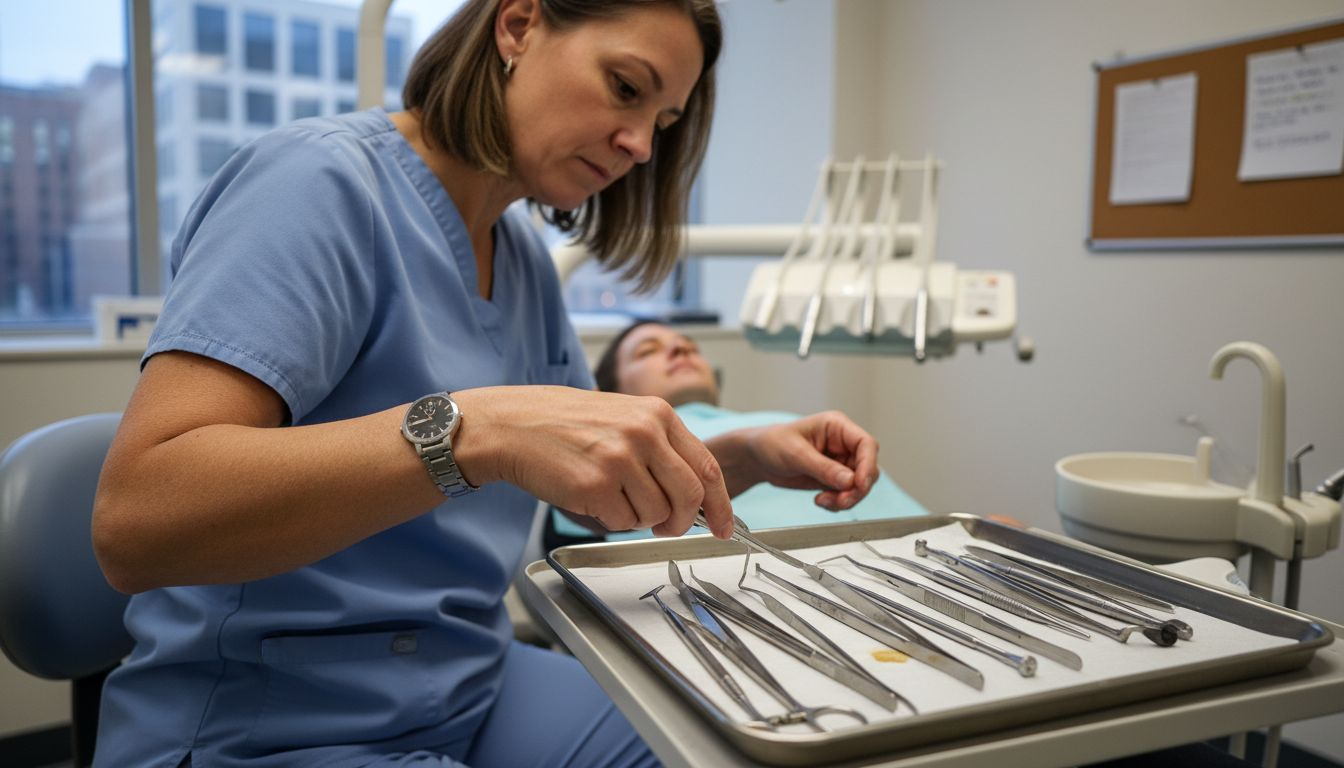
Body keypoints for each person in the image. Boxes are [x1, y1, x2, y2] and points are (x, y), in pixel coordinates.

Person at [88, 1, 883, 766]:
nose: (641, 144)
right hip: (278, 719)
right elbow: (136, 521)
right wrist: (480, 432)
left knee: (746, 745)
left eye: (663, 124)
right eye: (627, 89)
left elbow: (583, 492)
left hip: (471, 679)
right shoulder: (316, 184)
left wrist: (742, 453)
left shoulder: (521, 257)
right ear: (519, 24)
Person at [546, 320, 928, 549]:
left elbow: (924, 528)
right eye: (648, 351)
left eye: (690, 346)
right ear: (611, 393)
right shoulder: (610, 444)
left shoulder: (787, 422)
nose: (679, 347)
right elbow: (592, 501)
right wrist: (749, 454)